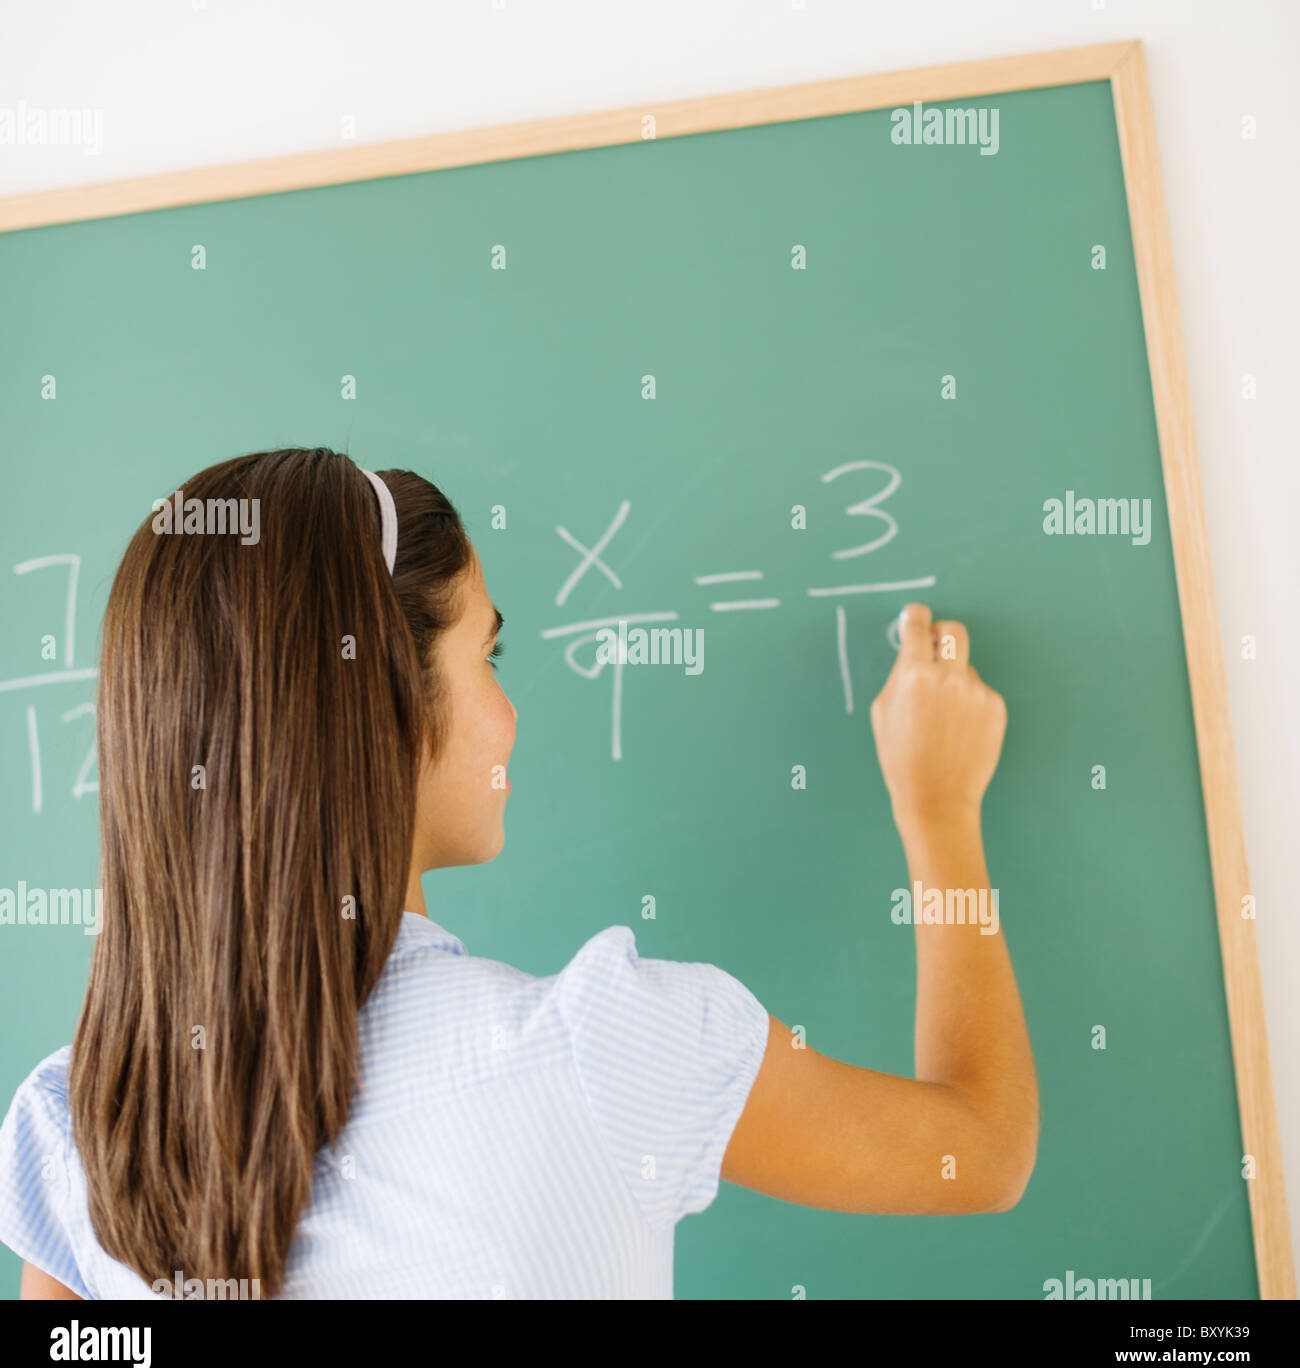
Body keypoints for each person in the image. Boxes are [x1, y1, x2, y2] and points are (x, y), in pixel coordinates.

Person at [0, 447, 1036, 1300]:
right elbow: (983, 1149)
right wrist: (937, 811)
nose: (508, 712)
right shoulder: (604, 1046)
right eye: (487, 655)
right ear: (390, 711)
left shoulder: (82, 1126)